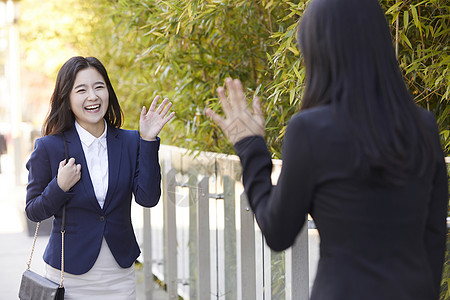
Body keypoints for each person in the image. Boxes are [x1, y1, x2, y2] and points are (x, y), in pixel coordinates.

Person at [205, 0, 448, 299]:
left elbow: (278, 231)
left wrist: (250, 147)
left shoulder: (310, 130)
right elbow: (435, 235)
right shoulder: (423, 125)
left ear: (319, 50)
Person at [25, 56, 174, 299]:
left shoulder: (130, 142)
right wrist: (59, 186)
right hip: (67, 276)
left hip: (119, 275)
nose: (92, 96)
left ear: (108, 92)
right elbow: (33, 211)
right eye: (81, 90)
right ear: (67, 98)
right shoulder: (49, 147)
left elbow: (148, 198)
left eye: (99, 87)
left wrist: (148, 141)